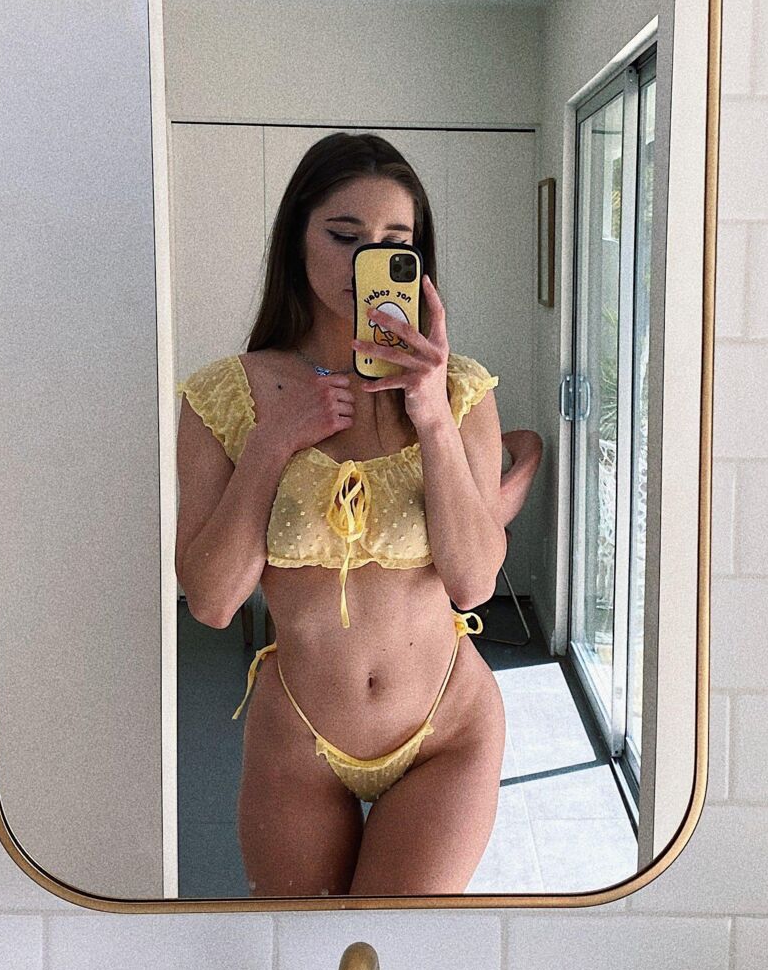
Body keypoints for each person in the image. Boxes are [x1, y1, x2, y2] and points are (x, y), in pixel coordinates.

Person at [175, 131, 531, 898]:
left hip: (447, 730)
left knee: (394, 946)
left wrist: (431, 416)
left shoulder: (461, 390)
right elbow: (211, 602)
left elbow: (472, 583)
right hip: (296, 735)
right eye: (343, 236)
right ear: (296, 239)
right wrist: (273, 443)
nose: (368, 259)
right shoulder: (224, 395)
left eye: (394, 243)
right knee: (301, 952)